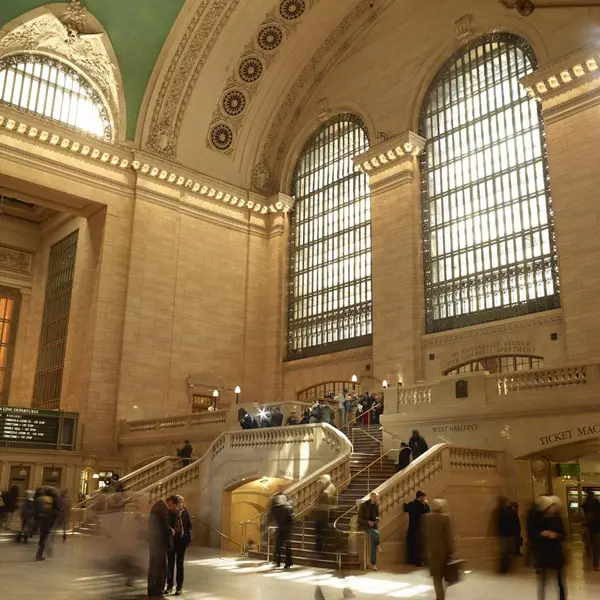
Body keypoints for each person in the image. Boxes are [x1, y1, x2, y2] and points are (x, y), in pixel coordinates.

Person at [423, 499, 455, 600]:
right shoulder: (445, 518)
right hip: (444, 552)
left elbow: (423, 536)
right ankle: (441, 597)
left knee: (436, 578)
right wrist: (452, 551)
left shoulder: (426, 518)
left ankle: (439, 596)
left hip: (431, 552)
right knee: (446, 577)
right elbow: (449, 537)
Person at [536, 496, 567, 600]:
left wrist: (555, 535)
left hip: (556, 551)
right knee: (543, 580)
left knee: (560, 579)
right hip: (545, 552)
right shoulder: (540, 519)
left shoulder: (558, 519)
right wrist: (542, 534)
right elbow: (534, 535)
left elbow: (564, 535)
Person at [165, 495, 193, 595]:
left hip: (182, 541)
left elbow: (189, 526)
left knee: (180, 565)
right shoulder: (169, 512)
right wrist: (170, 529)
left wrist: (189, 537)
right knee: (170, 565)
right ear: (176, 503)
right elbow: (166, 523)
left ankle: (179, 587)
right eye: (180, 502)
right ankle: (169, 586)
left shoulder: (185, 513)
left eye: (183, 502)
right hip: (172, 541)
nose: (182, 504)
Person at [148, 499, 173, 599]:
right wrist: (171, 530)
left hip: (153, 545)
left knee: (152, 568)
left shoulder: (153, 513)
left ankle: (151, 590)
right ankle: (158, 591)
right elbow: (165, 526)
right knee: (161, 569)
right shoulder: (162, 511)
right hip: (160, 545)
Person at [495, 496, 520, 573]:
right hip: (511, 535)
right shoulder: (512, 512)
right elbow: (517, 525)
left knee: (504, 552)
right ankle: (507, 567)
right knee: (509, 552)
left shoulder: (500, 511)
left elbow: (498, 523)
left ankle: (504, 568)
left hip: (503, 534)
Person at [404, 490, 430, 566]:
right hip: (419, 528)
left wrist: (405, 502)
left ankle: (411, 560)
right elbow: (427, 512)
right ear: (420, 497)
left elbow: (405, 508)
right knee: (419, 545)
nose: (424, 499)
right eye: (423, 497)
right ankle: (419, 561)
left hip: (412, 527)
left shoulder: (412, 504)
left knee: (412, 545)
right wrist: (427, 505)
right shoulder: (422, 506)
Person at [34, 485, 59, 561]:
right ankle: (39, 555)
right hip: (47, 520)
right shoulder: (50, 500)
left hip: (40, 519)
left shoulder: (38, 499)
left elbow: (35, 509)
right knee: (44, 538)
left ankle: (39, 554)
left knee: (42, 537)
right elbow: (51, 511)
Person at [358, 492, 380, 570]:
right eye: (374, 497)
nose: (375, 498)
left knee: (374, 538)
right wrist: (367, 522)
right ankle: (378, 543)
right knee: (375, 533)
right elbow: (359, 519)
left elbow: (377, 517)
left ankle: (373, 563)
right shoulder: (363, 505)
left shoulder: (376, 506)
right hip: (364, 526)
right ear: (370, 497)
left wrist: (376, 520)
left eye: (376, 497)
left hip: (372, 526)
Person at [271, 493, 294, 569]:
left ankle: (277, 562)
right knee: (286, 547)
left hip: (280, 528)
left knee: (278, 547)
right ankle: (288, 563)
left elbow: (274, 517)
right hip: (286, 529)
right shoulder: (288, 508)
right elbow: (291, 519)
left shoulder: (277, 508)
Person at [313, 475, 335, 552]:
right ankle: (320, 547)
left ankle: (321, 547)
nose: (318, 486)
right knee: (319, 533)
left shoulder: (325, 493)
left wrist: (316, 506)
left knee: (321, 533)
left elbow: (325, 505)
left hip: (322, 516)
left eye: (319, 484)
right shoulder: (320, 493)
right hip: (319, 516)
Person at [581, 489, 600, 570]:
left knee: (588, 543)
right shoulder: (597, 504)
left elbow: (580, 514)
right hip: (596, 528)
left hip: (587, 527)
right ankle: (596, 564)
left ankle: (588, 553)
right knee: (596, 547)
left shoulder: (584, 505)